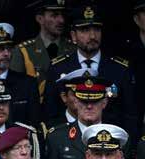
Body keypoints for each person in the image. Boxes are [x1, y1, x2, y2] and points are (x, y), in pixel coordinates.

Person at [43, 3, 137, 139]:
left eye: (97, 30)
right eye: (85, 30)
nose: (92, 36)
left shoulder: (120, 68)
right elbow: (50, 112)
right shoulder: (58, 67)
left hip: (110, 140)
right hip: (68, 140)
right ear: (73, 36)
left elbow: (130, 114)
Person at [44, 69, 115, 159]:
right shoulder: (57, 138)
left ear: (104, 102)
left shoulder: (117, 137)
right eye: (84, 101)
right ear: (76, 102)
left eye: (94, 101)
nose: (89, 106)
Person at [0, 22, 41, 127]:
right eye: (0, 48)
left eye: (9, 48)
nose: (6, 53)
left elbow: (34, 122)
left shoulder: (27, 83)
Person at [10, 0, 75, 94]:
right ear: (40, 19)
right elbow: (16, 89)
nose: (61, 20)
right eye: (54, 15)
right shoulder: (23, 51)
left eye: (62, 15)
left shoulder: (73, 49)